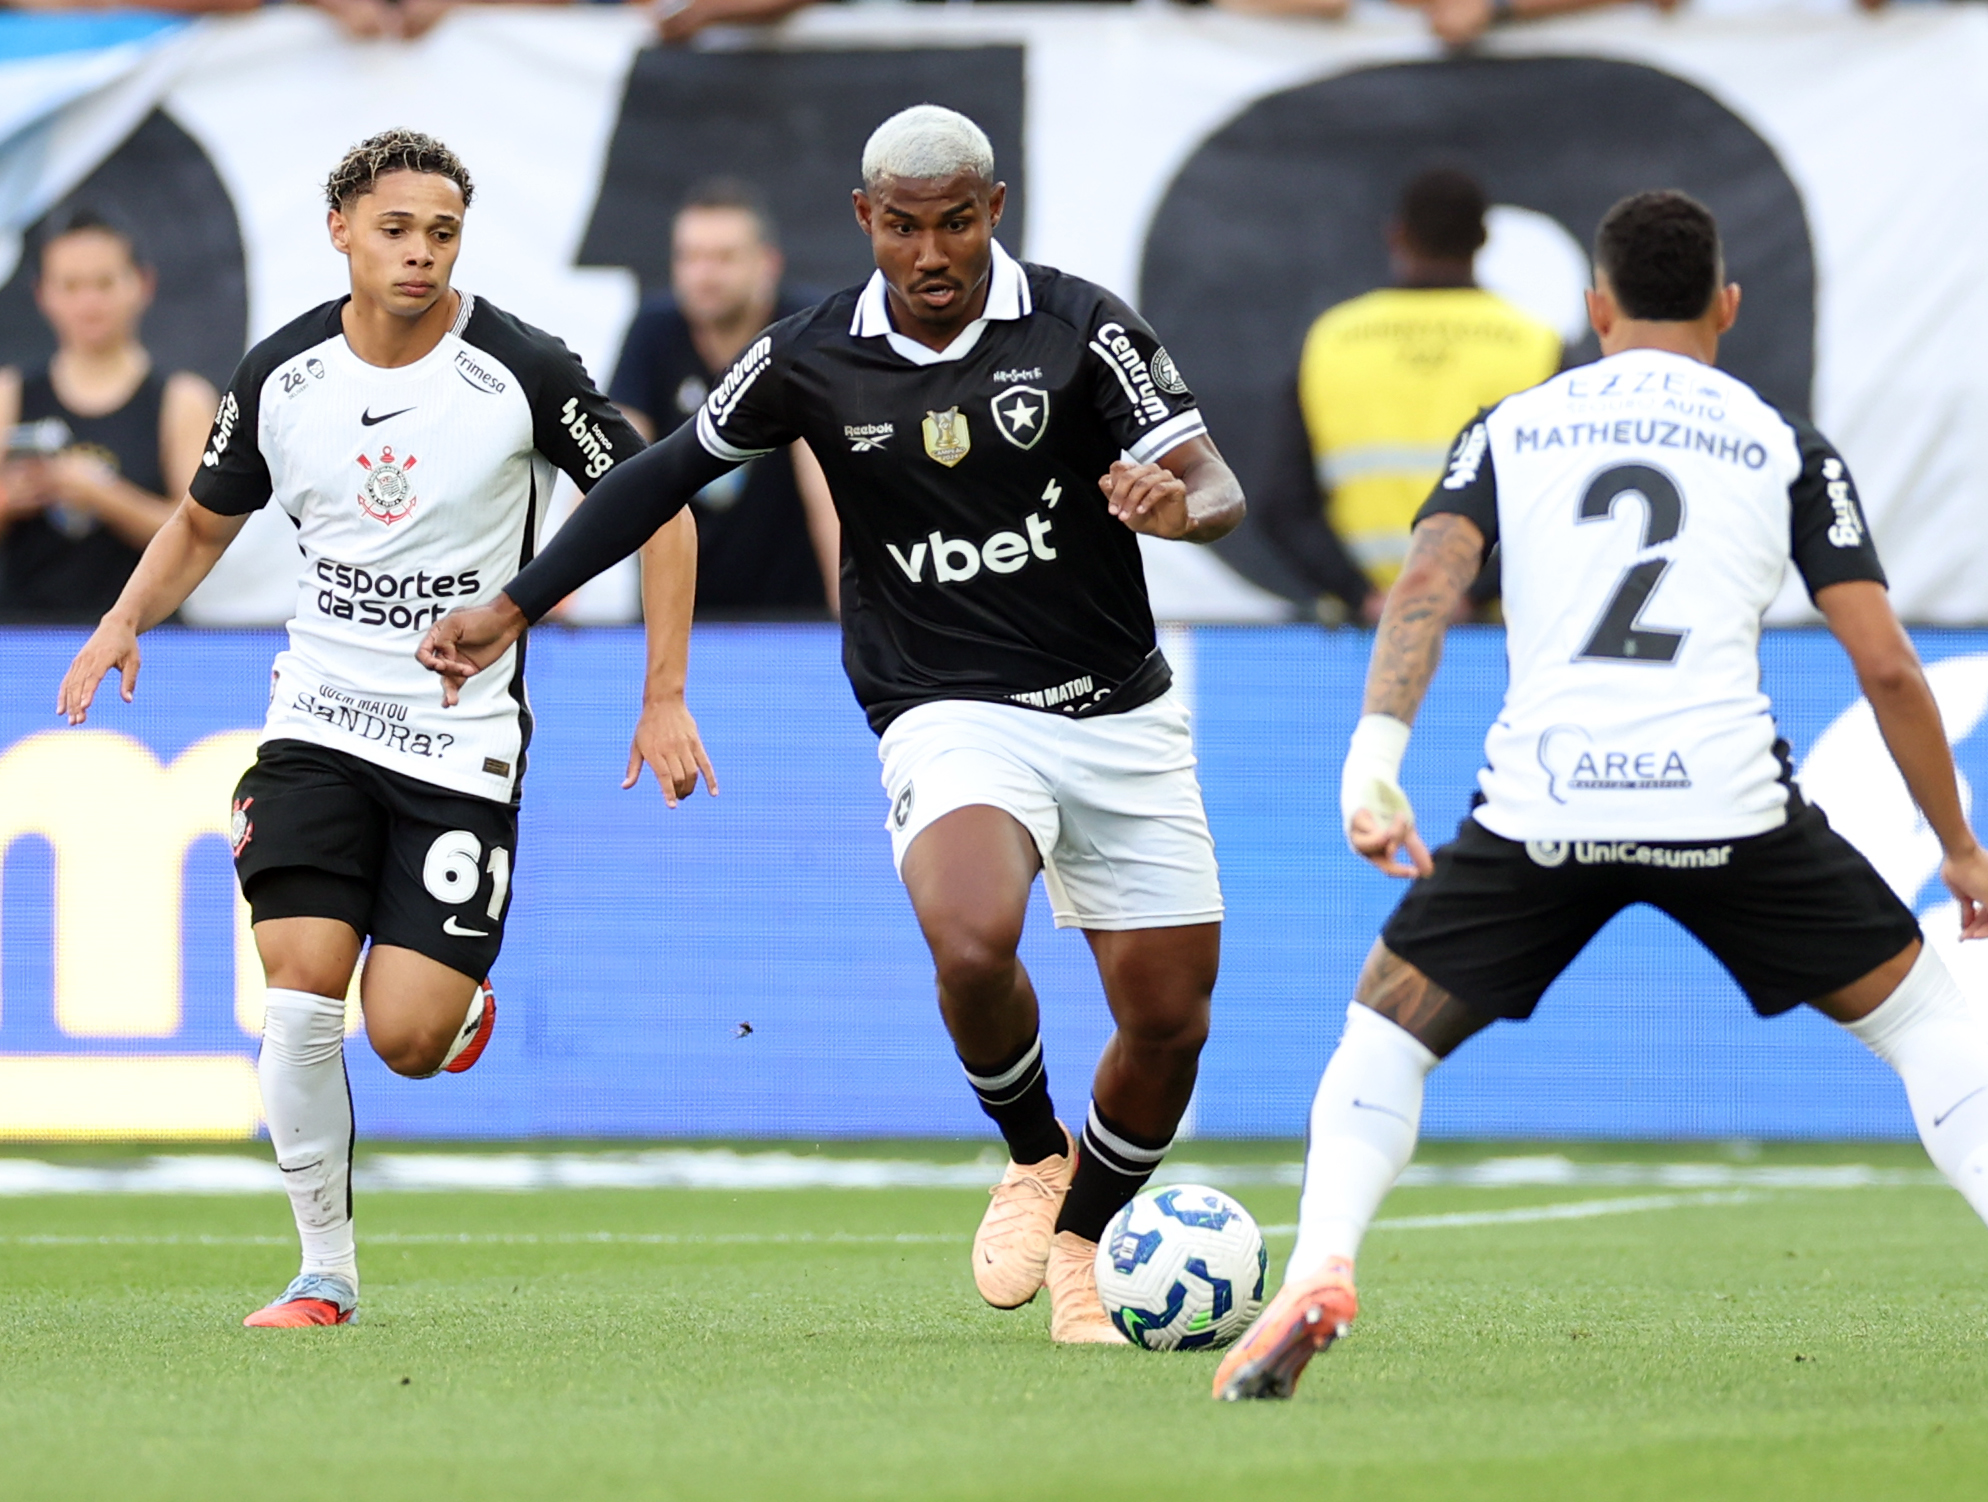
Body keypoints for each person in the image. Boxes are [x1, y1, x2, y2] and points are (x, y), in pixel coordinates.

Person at [1214, 191, 1988, 1403]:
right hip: (1726, 806)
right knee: (1928, 1026)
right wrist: (1962, 846)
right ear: (1728, 305)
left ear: (1593, 307)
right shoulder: (1782, 441)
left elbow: (1429, 579)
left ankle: (1319, 1267)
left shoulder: (1513, 425)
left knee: (1384, 1035)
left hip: (1545, 806)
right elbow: (1883, 661)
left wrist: (1373, 759)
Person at [419, 104, 1247, 1344]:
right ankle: (1033, 1152)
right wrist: (517, 600)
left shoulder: (1084, 324)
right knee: (971, 939)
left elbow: (1215, 478)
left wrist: (1178, 509)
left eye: (956, 223)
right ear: (866, 220)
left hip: (1118, 707)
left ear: (994, 211)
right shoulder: (807, 353)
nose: (931, 253)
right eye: (905, 227)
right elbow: (659, 472)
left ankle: (1082, 1234)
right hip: (946, 705)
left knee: (1169, 1016)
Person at [54, 129, 710, 1330]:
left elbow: (662, 508)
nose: (419, 254)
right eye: (397, 229)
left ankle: (452, 1003)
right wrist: (123, 618)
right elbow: (202, 523)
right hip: (316, 720)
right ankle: (323, 1271)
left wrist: (661, 691)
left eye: (443, 233)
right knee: (301, 993)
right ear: (342, 230)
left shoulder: (521, 368)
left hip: (459, 741)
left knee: (404, 1036)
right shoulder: (282, 373)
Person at [1264, 168, 1559, 622]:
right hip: (1492, 640)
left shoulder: (1332, 341)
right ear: (1482, 239)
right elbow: (1561, 502)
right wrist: (1470, 595)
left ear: (1396, 235)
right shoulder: (1536, 343)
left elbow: (1283, 505)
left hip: (1367, 637)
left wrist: (1362, 595)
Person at [610, 178, 839, 617]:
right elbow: (613, 461)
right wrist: (557, 590)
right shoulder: (654, 331)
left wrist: (851, 624)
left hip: (793, 626)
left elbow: (826, 477)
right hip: (676, 626)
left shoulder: (804, 329)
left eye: (723, 258)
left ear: (768, 263)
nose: (703, 275)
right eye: (690, 257)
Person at [0, 210, 218, 623]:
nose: (88, 303)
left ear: (142, 284)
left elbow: (199, 539)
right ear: (43, 294)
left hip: (145, 636)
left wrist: (102, 493)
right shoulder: (8, 395)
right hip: (23, 640)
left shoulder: (181, 400)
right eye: (70, 286)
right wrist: (12, 499)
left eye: (104, 283)